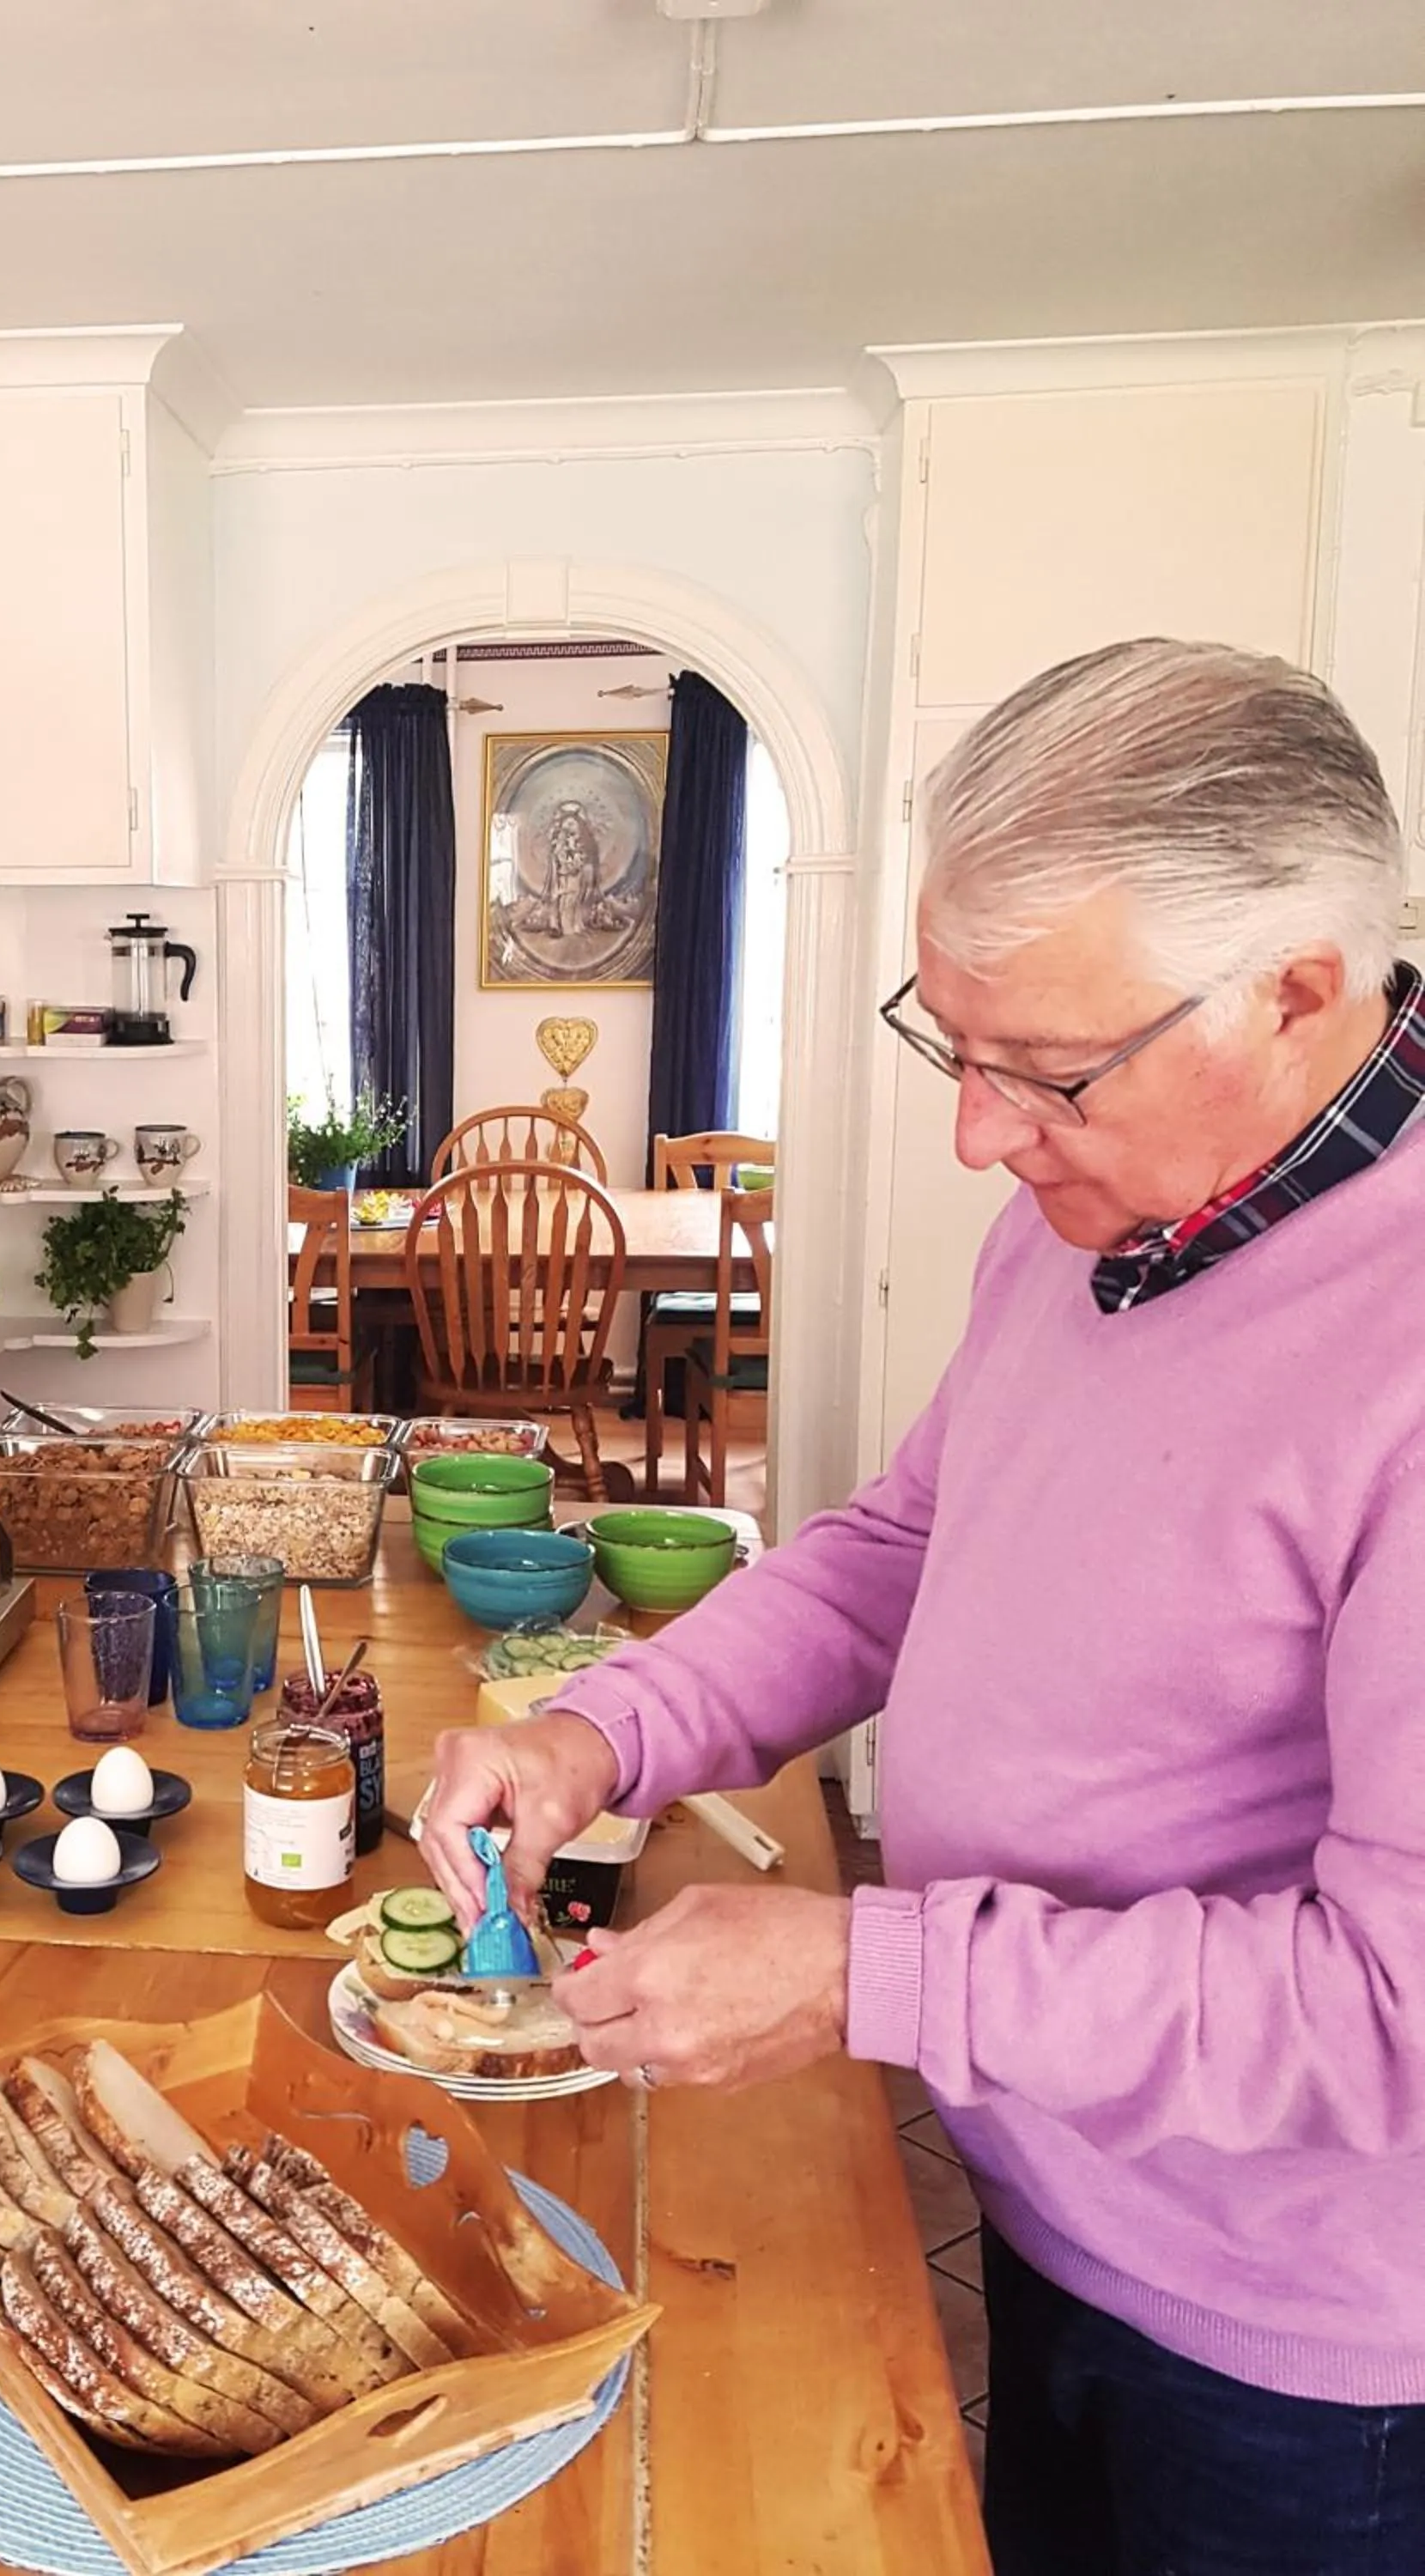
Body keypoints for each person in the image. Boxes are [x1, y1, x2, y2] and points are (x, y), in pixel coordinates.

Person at [425, 640, 1425, 2574]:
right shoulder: (1098, 1220)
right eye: (943, 1042)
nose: (975, 1136)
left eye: (1042, 1071)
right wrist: (597, 1730)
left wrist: (858, 1971)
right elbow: (899, 1551)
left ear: (1303, 988)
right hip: (1052, 2190)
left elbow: (1393, 2015)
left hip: (1311, 2357)